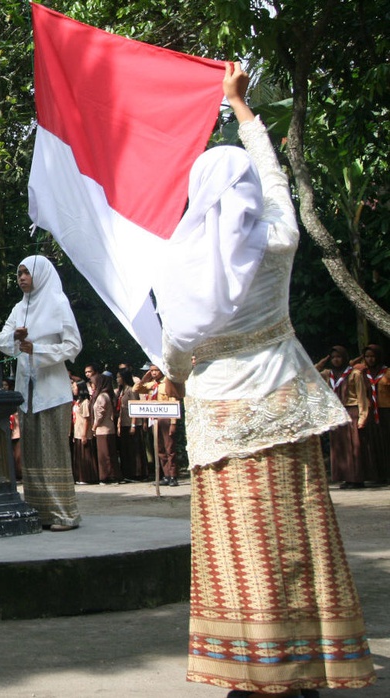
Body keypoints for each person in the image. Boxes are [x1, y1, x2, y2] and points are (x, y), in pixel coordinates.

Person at [155, 63, 374, 695]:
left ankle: (249, 670)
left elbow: (175, 348)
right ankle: (305, 667)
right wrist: (240, 106)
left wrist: (174, 379)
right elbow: (274, 177)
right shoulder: (278, 240)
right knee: (297, 534)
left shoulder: (179, 264)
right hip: (285, 407)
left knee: (235, 544)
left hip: (218, 421)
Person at [0, 255, 82, 532]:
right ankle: (38, 512)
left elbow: (73, 345)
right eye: (19, 273)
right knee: (31, 454)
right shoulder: (19, 308)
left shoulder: (58, 303)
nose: (21, 278)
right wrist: (15, 338)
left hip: (53, 391)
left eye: (26, 273)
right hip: (27, 393)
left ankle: (64, 515)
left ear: (41, 274)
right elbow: (0, 341)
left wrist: (39, 350)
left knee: (53, 451)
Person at [315, 346, 367, 488]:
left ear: (344, 358)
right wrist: (321, 363)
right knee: (340, 446)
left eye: (339, 357)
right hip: (336, 412)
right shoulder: (328, 374)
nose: (336, 360)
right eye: (333, 358)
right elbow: (309, 373)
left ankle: (356, 479)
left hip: (351, 411)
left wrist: (362, 416)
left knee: (353, 446)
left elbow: (362, 396)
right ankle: (346, 477)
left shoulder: (354, 373)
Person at [134, 364, 182, 486]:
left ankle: (173, 476)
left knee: (170, 448)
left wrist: (173, 423)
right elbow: (136, 389)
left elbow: (173, 402)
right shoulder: (151, 384)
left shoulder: (167, 383)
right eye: (151, 371)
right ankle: (166, 475)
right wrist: (144, 378)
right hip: (155, 419)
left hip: (166, 419)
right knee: (160, 448)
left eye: (156, 370)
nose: (154, 373)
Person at [355, 344, 389, 486]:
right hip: (370, 412)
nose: (370, 359)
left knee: (386, 443)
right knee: (373, 444)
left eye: (373, 356)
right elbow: (349, 366)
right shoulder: (362, 373)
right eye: (367, 356)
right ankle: (376, 475)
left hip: (385, 412)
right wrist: (359, 360)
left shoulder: (387, 372)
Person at [88, 371, 121, 484]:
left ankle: (108, 476)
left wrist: (94, 426)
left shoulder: (102, 396)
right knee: (108, 453)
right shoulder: (106, 395)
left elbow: (100, 414)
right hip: (107, 428)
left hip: (103, 429)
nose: (92, 385)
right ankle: (112, 475)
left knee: (105, 454)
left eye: (94, 383)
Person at [115, 369, 147, 481]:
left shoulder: (131, 390)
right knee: (126, 449)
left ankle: (138, 473)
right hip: (124, 422)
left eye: (119, 377)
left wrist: (133, 425)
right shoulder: (121, 391)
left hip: (133, 423)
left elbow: (135, 407)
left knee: (135, 449)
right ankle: (128, 473)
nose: (117, 379)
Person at [70, 380, 98, 484]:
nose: (73, 389)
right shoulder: (78, 401)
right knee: (79, 456)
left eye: (75, 387)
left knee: (86, 455)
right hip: (77, 431)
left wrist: (84, 434)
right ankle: (80, 477)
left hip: (84, 432)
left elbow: (87, 419)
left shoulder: (86, 402)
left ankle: (88, 477)